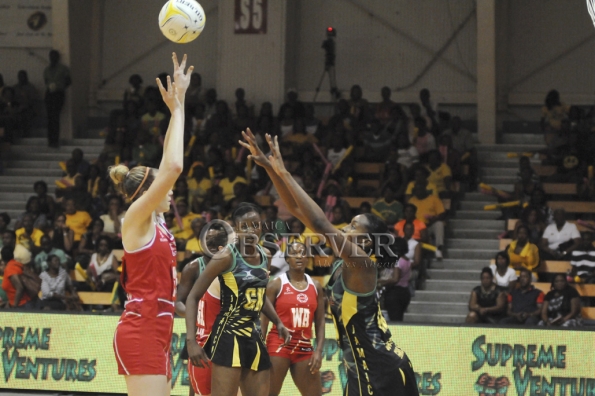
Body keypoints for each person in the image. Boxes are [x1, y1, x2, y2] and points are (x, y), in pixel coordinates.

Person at [240, 130, 419, 395]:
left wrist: (286, 173)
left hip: (381, 369)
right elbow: (299, 211)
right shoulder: (340, 265)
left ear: (368, 242)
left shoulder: (363, 264)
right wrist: (271, 170)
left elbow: (321, 223)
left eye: (353, 226)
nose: (345, 228)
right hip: (362, 368)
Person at [110, 53, 190, 396]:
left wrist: (177, 105)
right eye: (164, 190)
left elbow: (164, 166)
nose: (170, 192)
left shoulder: (157, 221)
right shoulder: (136, 219)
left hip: (160, 328)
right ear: (148, 193)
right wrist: (178, 110)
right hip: (141, 329)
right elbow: (171, 167)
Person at [185, 203, 291, 396]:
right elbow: (192, 297)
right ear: (236, 229)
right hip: (228, 335)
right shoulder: (225, 256)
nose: (251, 231)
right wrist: (191, 341)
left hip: (254, 334)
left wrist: (277, 321)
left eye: (255, 225)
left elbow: (258, 295)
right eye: (245, 227)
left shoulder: (265, 255)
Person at [175, 225, 235, 396]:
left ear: (221, 246)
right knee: (195, 388)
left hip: (226, 337)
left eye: (211, 241)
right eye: (204, 240)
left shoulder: (231, 267)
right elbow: (178, 302)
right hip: (201, 334)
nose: (205, 244)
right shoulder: (193, 268)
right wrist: (194, 315)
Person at [260, 242, 325, 396]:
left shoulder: (316, 286)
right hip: (279, 344)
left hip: (304, 346)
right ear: (287, 259)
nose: (299, 256)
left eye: (302, 253)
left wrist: (319, 351)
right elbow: (263, 319)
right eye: (294, 253)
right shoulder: (276, 284)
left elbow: (321, 321)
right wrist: (260, 348)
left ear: (308, 258)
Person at [408, 183, 446, 259]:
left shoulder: (434, 198)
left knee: (439, 224)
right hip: (416, 228)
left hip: (429, 225)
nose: (418, 192)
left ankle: (439, 248)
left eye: (420, 189)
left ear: (425, 190)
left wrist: (434, 218)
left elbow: (442, 214)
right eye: (416, 190)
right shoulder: (412, 200)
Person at [378, 238, 412, 321]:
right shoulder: (407, 260)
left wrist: (379, 282)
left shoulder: (398, 261)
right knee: (399, 318)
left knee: (395, 320)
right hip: (405, 292)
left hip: (395, 294)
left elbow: (395, 279)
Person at [43, 50, 71, 147]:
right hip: (49, 94)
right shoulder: (46, 69)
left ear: (58, 57)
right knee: (50, 117)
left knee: (55, 117)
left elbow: (68, 81)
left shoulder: (63, 69)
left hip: (58, 93)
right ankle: (50, 140)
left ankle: (55, 140)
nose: (52, 58)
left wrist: (60, 86)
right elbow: (45, 81)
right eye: (51, 56)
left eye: (54, 56)